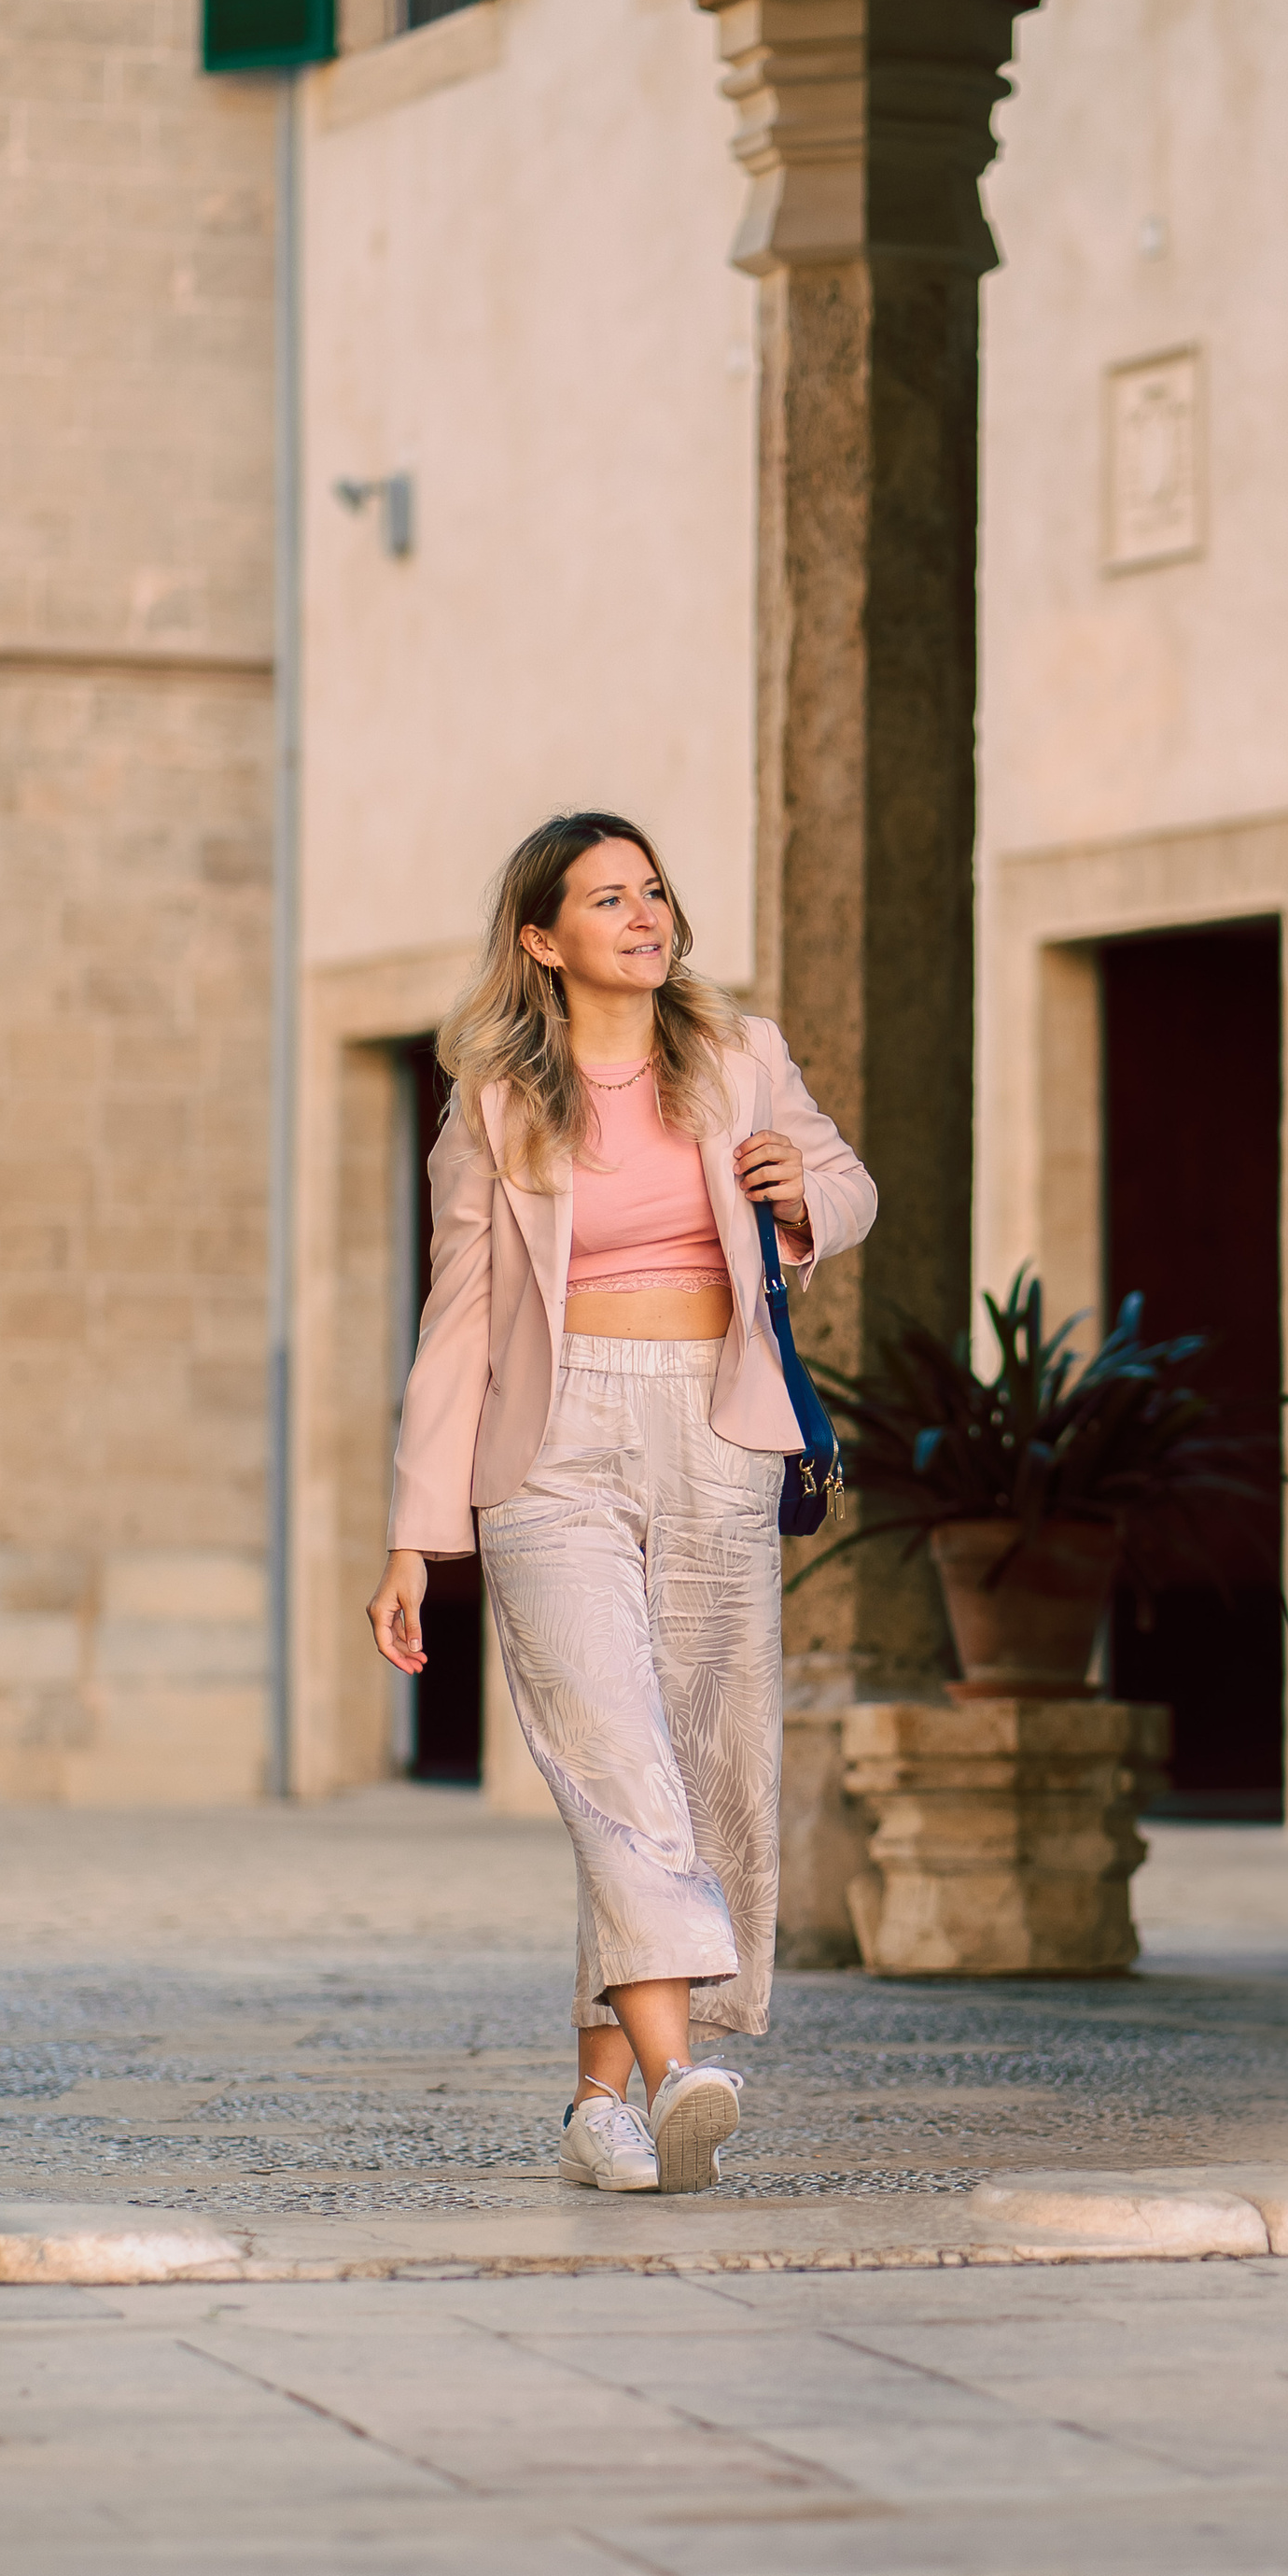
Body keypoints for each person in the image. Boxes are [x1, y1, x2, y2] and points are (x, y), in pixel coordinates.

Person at [366, 811, 875, 2194]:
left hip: (715, 1429)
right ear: (544, 939)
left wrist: (799, 1195)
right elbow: (456, 1322)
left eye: (653, 891)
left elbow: (848, 1182)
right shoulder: (493, 1105)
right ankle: (674, 2070)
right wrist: (419, 1536)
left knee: (702, 1766)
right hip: (553, 1443)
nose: (645, 915)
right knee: (614, 1754)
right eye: (608, 899)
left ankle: (600, 2110)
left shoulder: (740, 1057)